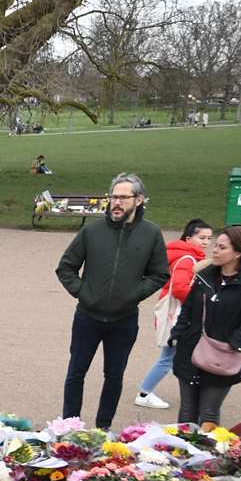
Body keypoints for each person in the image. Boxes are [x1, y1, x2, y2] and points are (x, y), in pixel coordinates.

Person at [54, 172, 169, 430]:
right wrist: (84, 293)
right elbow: (65, 268)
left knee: (114, 376)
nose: (116, 202)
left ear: (138, 200)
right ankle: (70, 425)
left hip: (124, 319)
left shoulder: (150, 233)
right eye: (113, 197)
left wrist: (133, 294)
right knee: (76, 372)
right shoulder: (92, 231)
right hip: (87, 316)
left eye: (123, 198)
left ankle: (103, 427)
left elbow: (160, 273)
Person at [168, 226, 241, 426]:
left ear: (238, 252)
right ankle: (183, 454)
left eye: (222, 248)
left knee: (208, 413)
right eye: (215, 245)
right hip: (191, 349)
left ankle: (207, 457)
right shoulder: (205, 274)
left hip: (223, 355)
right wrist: (177, 333)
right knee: (187, 411)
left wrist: (234, 343)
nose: (214, 250)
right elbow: (187, 307)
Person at [134, 219, 213, 410]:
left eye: (209, 238)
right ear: (189, 237)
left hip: (177, 313)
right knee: (169, 356)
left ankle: (149, 391)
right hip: (179, 314)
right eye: (201, 237)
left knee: (175, 355)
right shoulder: (188, 259)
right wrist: (204, 301)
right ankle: (144, 392)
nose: (206, 242)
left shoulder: (183, 256)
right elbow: (179, 289)